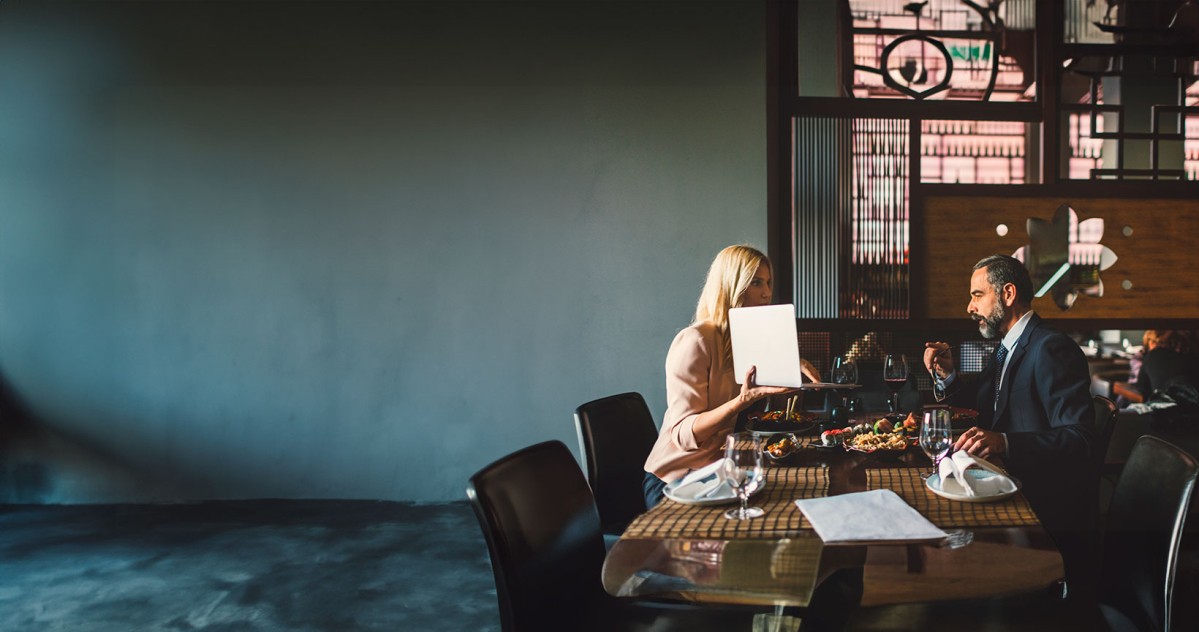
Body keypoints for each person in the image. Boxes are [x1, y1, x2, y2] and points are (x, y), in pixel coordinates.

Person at [923, 254, 1099, 599]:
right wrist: (949, 375)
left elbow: (1080, 440)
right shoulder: (1006, 347)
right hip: (1000, 484)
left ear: (1007, 294)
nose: (969, 307)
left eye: (977, 295)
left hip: (1039, 505)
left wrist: (1004, 443)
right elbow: (985, 403)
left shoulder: (1050, 347)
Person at [642, 244, 817, 508]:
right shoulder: (695, 340)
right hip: (676, 479)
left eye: (768, 283)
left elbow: (766, 413)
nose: (767, 293)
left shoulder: (749, 342)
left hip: (721, 471)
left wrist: (790, 367)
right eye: (756, 282)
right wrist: (741, 401)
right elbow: (682, 435)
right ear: (730, 285)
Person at [1135, 329, 1199, 402]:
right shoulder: (1192, 358)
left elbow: (1142, 395)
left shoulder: (1152, 357)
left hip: (1162, 409)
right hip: (1192, 408)